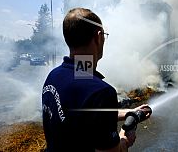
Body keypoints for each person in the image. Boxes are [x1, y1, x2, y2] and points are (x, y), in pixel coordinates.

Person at [42, 8, 150, 152]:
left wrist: (130, 113)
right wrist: (124, 139)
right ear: (98, 37)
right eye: (104, 35)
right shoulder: (101, 92)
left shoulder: (54, 76)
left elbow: (84, 113)